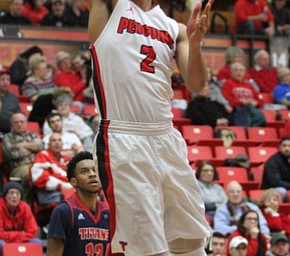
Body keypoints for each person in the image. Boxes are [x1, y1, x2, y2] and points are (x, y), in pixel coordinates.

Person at [88, 0, 214, 255]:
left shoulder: (175, 29)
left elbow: (196, 83)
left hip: (166, 138)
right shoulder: (109, 7)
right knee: (145, 248)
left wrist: (197, 42)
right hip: (124, 136)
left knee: (190, 242)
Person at [46, 151, 110, 256]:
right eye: (84, 172)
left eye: (95, 170)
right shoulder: (63, 211)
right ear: (73, 182)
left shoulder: (107, 212)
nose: (92, 174)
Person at [2, 112, 44, 202]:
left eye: (21, 122)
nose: (19, 124)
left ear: (26, 123)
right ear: (12, 124)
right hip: (18, 168)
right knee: (30, 173)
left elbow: (41, 149)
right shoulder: (7, 137)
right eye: (16, 122)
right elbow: (13, 154)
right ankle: (25, 206)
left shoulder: (33, 135)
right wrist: (33, 147)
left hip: (37, 165)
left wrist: (21, 145)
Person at [0, 182, 42, 256]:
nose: (14, 196)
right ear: (5, 196)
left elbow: (32, 231)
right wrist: (20, 233)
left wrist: (15, 237)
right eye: (11, 193)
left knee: (37, 242)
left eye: (17, 193)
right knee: (1, 244)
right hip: (4, 240)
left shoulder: (25, 207)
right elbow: (0, 234)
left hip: (18, 239)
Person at [30, 132, 72, 205]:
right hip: (47, 193)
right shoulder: (42, 156)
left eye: (59, 140)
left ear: (62, 144)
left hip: (68, 190)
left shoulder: (66, 160)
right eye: (54, 140)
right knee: (68, 199)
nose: (57, 143)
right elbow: (41, 179)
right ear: (49, 144)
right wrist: (67, 186)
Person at [221, 62, 266, 127]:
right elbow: (229, 100)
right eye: (236, 70)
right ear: (231, 72)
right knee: (244, 113)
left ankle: (252, 133)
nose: (239, 72)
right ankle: (245, 133)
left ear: (244, 73)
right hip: (237, 109)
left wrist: (255, 103)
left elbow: (260, 100)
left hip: (252, 109)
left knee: (260, 116)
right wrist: (243, 103)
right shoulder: (227, 84)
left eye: (241, 70)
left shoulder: (249, 85)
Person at [261, 136, 290, 202]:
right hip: (270, 190)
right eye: (284, 146)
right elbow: (276, 182)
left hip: (287, 187)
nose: (287, 148)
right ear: (279, 147)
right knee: (282, 191)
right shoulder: (273, 161)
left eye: (289, 146)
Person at [0, 67, 21, 135]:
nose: (5, 82)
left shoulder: (13, 97)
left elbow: (18, 114)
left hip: (10, 131)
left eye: (8, 80)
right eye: (2, 79)